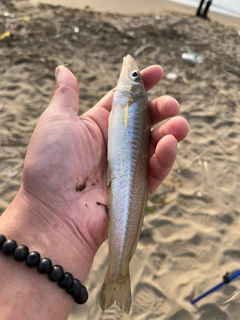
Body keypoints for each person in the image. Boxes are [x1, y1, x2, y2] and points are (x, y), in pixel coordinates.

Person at [0, 65, 189, 319]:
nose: (129, 70)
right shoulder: (127, 102)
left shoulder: (130, 102)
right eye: (135, 75)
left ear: (133, 94)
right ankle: (118, 270)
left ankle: (118, 271)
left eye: (133, 76)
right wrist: (40, 207)